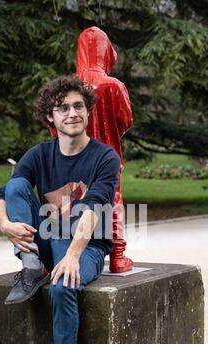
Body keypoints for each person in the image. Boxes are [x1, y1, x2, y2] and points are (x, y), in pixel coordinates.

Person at [0, 74, 120, 344]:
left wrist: (74, 255)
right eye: (62, 108)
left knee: (64, 283)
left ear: (88, 112)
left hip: (87, 246)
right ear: (51, 117)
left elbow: (93, 208)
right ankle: (31, 266)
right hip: (45, 242)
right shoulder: (39, 153)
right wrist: (5, 224)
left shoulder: (104, 157)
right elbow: (4, 196)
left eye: (78, 105)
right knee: (16, 183)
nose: (71, 113)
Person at [77, 26, 134, 273]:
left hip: (73, 156)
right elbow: (125, 120)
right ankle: (118, 257)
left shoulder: (68, 86)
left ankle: (70, 252)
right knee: (113, 201)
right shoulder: (114, 86)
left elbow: (54, 125)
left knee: (74, 200)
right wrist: (110, 133)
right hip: (108, 154)